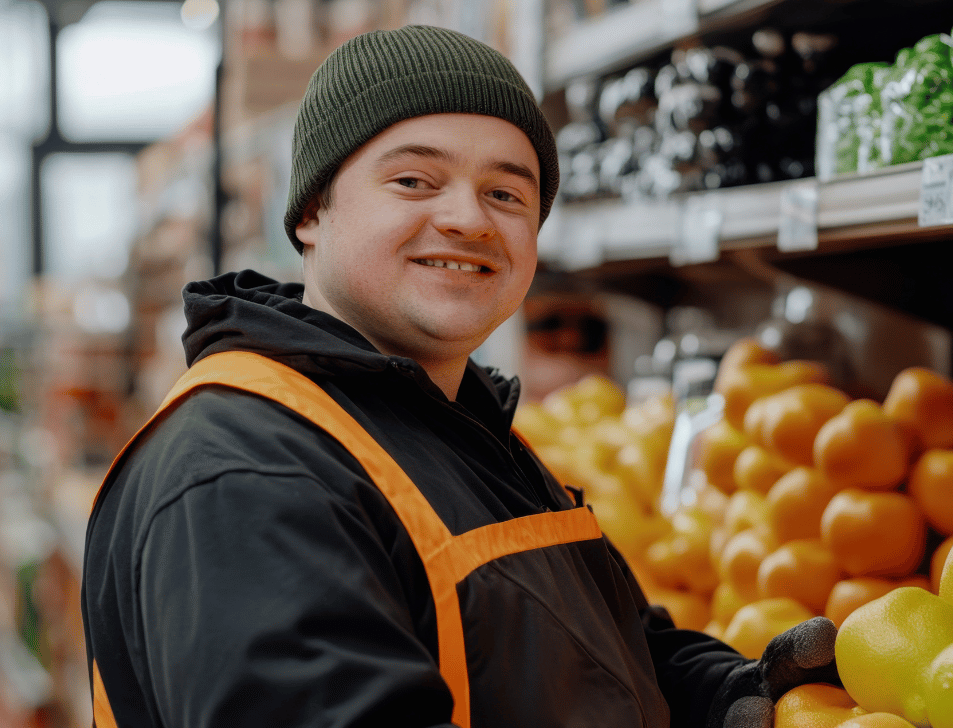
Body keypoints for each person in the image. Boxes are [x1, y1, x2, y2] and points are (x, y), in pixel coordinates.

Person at [82, 25, 842, 728]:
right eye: (415, 181)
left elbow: (593, 650)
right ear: (312, 210)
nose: (469, 220)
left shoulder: (450, 424)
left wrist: (727, 694)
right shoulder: (248, 471)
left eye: (507, 194)